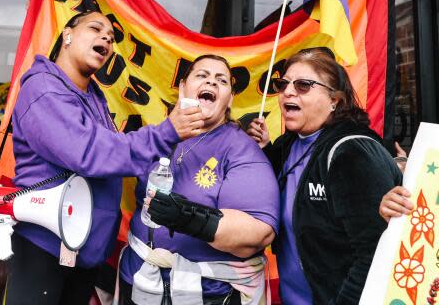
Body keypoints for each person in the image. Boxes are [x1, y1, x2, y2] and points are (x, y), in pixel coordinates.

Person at [5, 10, 205, 305]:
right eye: (96, 29)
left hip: (83, 253)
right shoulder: (42, 88)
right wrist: (166, 132)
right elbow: (90, 153)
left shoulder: (94, 97)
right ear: (68, 35)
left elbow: (114, 155)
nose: (106, 39)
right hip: (44, 248)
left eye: (111, 38)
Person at [245, 47, 402, 304]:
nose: (288, 91)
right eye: (283, 84)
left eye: (304, 85)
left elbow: (375, 252)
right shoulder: (287, 145)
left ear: (335, 101)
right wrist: (265, 151)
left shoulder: (352, 152)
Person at [123, 54, 279, 305]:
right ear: (183, 86)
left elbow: (258, 233)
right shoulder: (158, 136)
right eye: (202, 75)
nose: (212, 83)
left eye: (222, 80)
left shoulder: (240, 149)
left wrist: (186, 217)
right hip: (139, 283)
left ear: (230, 99)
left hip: (208, 295)